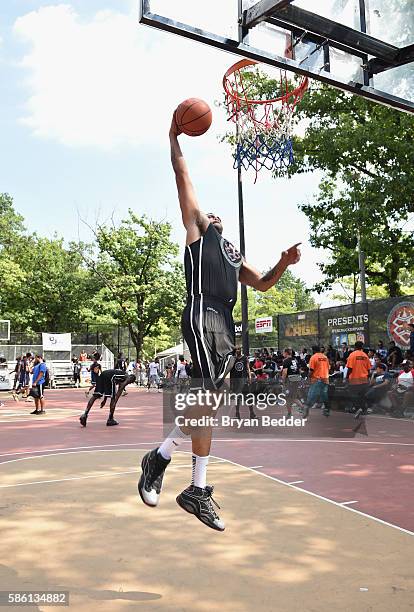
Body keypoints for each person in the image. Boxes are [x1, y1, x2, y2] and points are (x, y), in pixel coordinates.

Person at [137, 113, 301, 531]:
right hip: (202, 311)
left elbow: (263, 284)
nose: (217, 214)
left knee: (210, 402)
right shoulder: (198, 227)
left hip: (225, 324)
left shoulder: (231, 254)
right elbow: (182, 172)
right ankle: (194, 487)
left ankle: (161, 458)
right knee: (208, 399)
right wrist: (174, 136)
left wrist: (283, 261)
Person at [302, 345, 330, 418]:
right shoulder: (325, 357)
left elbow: (311, 370)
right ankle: (327, 410)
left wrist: (308, 377)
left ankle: (306, 410)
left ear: (313, 350)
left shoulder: (313, 357)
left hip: (316, 379)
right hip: (325, 379)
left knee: (311, 394)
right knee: (324, 395)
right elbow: (328, 367)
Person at [346, 341, 371, 419]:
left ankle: (358, 408)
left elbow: (350, 368)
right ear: (362, 347)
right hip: (364, 379)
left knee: (353, 395)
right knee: (362, 395)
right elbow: (368, 369)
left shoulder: (352, 355)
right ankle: (363, 409)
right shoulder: (365, 356)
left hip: (354, 379)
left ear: (355, 347)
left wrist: (347, 378)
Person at [230, 347, 254, 420]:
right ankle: (237, 414)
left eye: (239, 349)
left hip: (244, 381)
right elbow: (230, 370)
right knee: (237, 398)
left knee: (248, 397)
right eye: (236, 349)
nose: (238, 351)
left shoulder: (244, 358)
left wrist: (249, 377)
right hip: (236, 381)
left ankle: (252, 413)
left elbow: (248, 368)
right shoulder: (233, 359)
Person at [281, 347, 301, 417]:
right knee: (293, 397)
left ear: (286, 353)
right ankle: (290, 413)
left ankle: (291, 413)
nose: (283, 354)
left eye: (283, 352)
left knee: (289, 397)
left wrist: (283, 381)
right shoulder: (295, 360)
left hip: (289, 381)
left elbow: (284, 372)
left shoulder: (286, 361)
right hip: (296, 380)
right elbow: (299, 370)